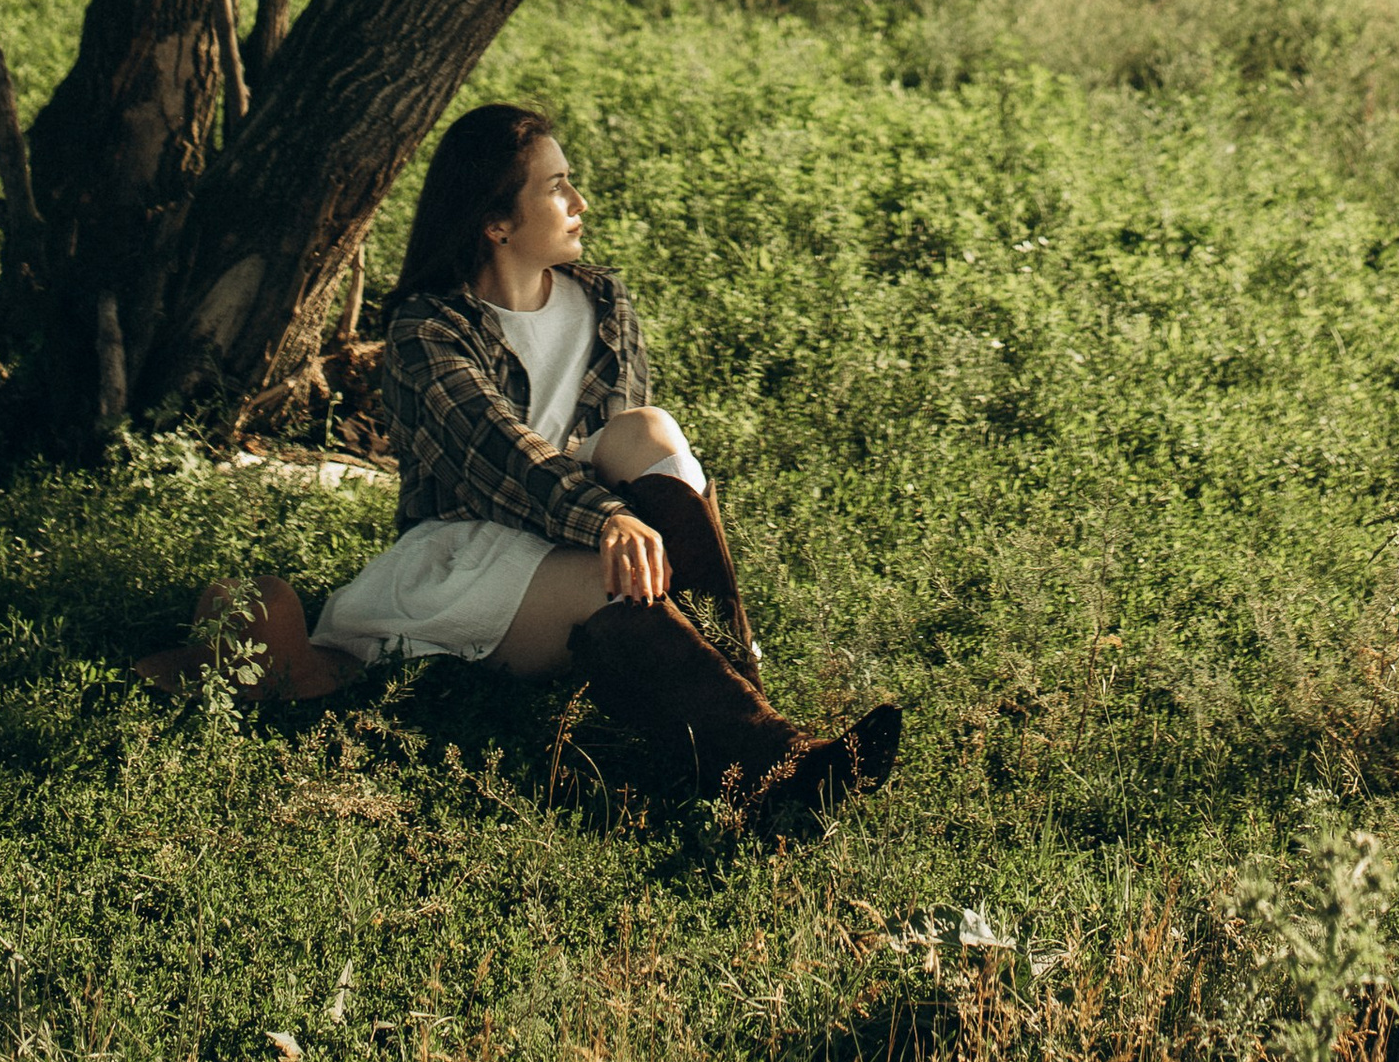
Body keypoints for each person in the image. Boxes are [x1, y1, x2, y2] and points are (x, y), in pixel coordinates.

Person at [138, 100, 901, 838]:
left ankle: (750, 709)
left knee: (648, 428)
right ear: (495, 222)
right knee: (611, 574)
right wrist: (608, 519)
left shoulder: (603, 300)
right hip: (467, 553)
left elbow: (624, 453)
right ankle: (774, 771)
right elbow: (500, 453)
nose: (579, 202)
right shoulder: (428, 329)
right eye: (556, 186)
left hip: (574, 526)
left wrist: (618, 516)